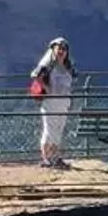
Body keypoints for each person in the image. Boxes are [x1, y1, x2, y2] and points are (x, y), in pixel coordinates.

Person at [32, 35, 76, 167]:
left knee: (59, 127)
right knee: (50, 128)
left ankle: (53, 157)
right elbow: (35, 75)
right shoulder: (47, 65)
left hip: (64, 101)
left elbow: (74, 77)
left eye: (64, 49)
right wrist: (46, 87)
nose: (61, 51)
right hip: (50, 101)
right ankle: (49, 158)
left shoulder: (68, 66)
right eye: (59, 48)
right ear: (53, 50)